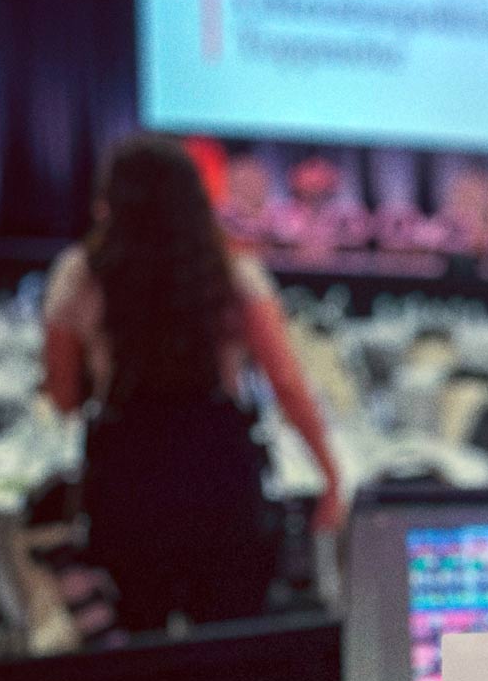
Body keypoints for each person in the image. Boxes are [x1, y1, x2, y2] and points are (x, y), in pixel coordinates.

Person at [44, 135, 341, 632]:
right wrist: (330, 476)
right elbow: (288, 385)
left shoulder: (79, 275)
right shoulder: (231, 273)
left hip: (127, 478)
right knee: (228, 637)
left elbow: (65, 398)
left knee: (142, 638)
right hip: (219, 475)